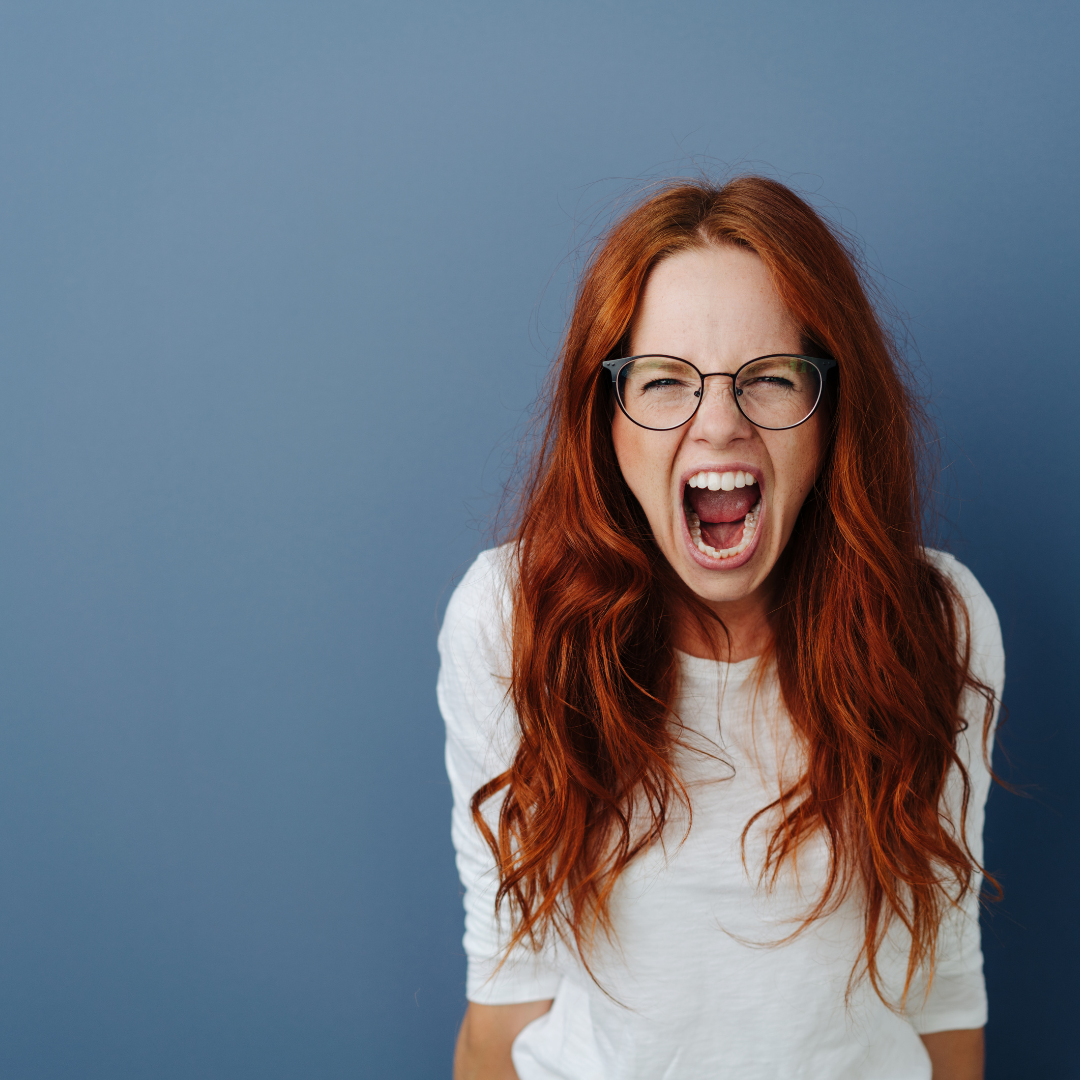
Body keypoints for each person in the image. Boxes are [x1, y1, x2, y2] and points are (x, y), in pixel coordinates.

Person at [438, 176, 1002, 1080]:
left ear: (830, 415)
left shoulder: (938, 624)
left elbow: (942, 993)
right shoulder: (512, 623)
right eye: (664, 382)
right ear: (605, 418)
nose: (719, 425)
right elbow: (507, 992)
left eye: (770, 379)